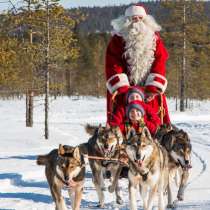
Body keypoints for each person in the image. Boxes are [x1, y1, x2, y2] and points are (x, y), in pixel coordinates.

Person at [105, 4, 171, 126]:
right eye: (133, 18)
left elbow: (160, 61)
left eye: (140, 18)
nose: (136, 22)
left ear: (146, 20)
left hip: (148, 90)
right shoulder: (117, 40)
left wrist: (153, 87)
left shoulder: (155, 40)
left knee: (154, 121)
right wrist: (122, 88)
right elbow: (113, 64)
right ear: (126, 21)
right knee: (121, 120)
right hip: (124, 91)